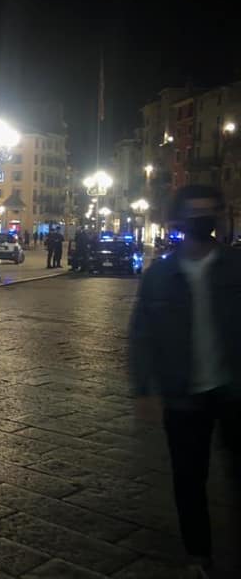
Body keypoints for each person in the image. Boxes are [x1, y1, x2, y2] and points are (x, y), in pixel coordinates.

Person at [129, 185, 241, 577]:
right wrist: (144, 389)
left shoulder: (236, 266)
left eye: (209, 211)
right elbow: (141, 333)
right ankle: (199, 556)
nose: (202, 219)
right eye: (195, 213)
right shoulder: (159, 275)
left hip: (233, 390)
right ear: (179, 220)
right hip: (182, 395)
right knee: (189, 480)